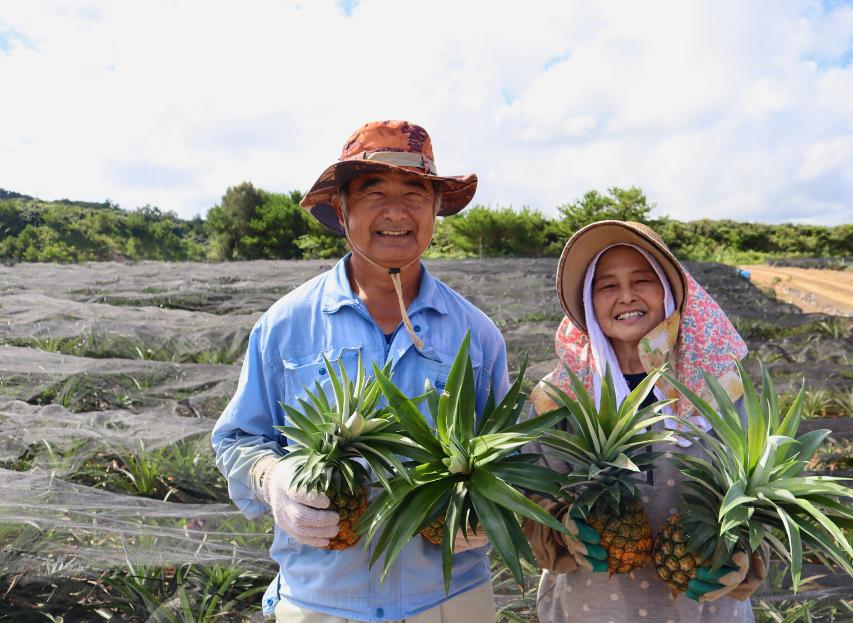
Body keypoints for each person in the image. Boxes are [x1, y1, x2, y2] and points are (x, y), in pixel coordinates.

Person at [211, 121, 507, 622]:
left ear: (435, 208)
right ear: (343, 210)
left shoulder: (477, 336)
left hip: (451, 601)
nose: (396, 211)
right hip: (320, 602)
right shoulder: (284, 325)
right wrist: (271, 477)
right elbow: (237, 439)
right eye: (373, 193)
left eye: (415, 192)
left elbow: (514, 448)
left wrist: (495, 502)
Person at [523, 220, 767, 623]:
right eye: (606, 285)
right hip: (591, 608)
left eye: (643, 280)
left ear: (670, 291)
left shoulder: (721, 387)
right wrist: (561, 530)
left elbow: (758, 500)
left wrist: (744, 558)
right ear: (587, 299)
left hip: (703, 611)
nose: (626, 296)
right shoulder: (558, 395)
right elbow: (532, 497)